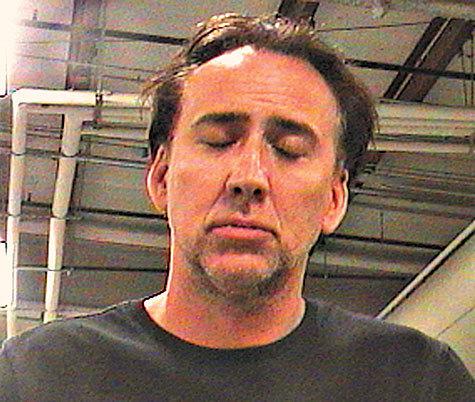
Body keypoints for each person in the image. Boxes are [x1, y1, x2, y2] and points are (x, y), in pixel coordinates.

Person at [1, 13, 473, 401]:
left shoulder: (419, 381)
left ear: (334, 199)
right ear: (161, 178)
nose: (249, 177)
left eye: (288, 150)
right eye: (218, 141)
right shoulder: (34, 377)